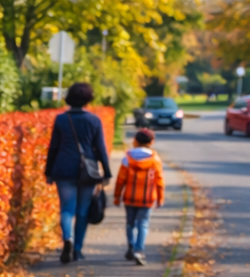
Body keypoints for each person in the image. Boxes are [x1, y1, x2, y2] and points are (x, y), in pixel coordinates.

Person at [43, 82, 112, 264]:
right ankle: (78, 250)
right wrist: (107, 173)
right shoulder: (94, 120)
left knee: (66, 209)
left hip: (64, 169)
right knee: (82, 212)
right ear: (88, 100)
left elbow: (54, 148)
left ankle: (68, 239)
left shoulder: (61, 119)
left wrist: (48, 172)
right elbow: (101, 149)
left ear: (69, 98)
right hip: (87, 171)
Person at [112, 128, 165, 265]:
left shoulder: (127, 159)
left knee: (130, 223)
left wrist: (117, 196)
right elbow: (159, 180)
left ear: (135, 141)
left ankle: (131, 245)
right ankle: (139, 250)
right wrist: (160, 198)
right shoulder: (155, 159)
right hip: (147, 198)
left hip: (130, 197)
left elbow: (120, 179)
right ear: (151, 142)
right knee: (143, 224)